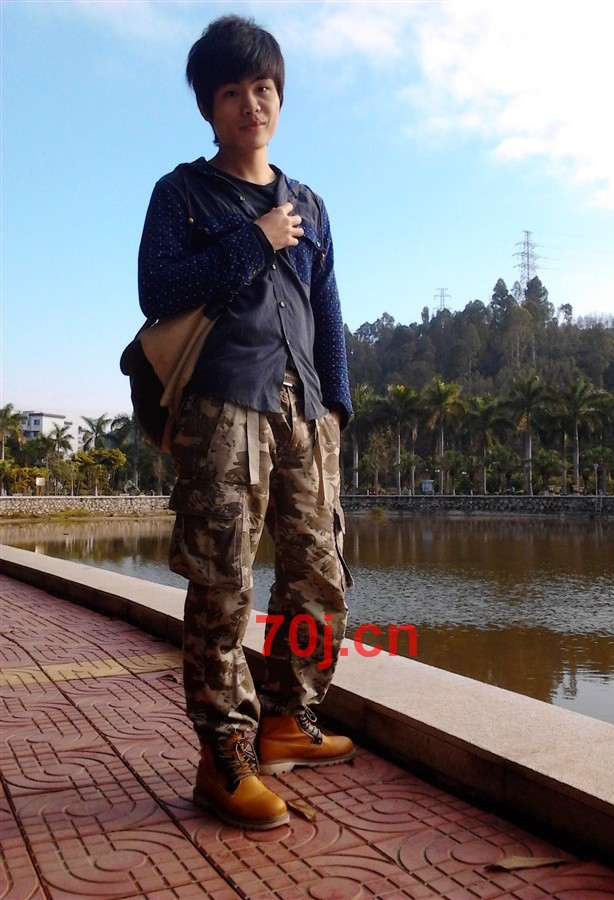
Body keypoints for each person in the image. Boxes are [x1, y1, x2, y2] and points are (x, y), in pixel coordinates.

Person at [137, 15, 354, 831]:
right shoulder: (182, 194)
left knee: (317, 573)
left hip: (305, 412)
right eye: (231, 92)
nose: (250, 104)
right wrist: (254, 241)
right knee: (223, 580)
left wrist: (336, 405)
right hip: (223, 406)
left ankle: (288, 718)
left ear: (279, 97)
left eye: (262, 88)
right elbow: (157, 289)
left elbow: (328, 310)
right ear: (208, 107)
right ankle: (222, 754)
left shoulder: (311, 204)